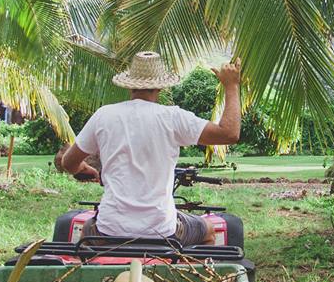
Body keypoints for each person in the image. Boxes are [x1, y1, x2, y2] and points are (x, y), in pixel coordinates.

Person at [56, 52, 241, 243]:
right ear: (160, 85)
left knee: (87, 231)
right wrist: (232, 86)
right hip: (162, 231)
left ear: (130, 85)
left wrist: (85, 168)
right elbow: (229, 133)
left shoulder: (104, 115)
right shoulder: (173, 118)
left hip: (109, 229)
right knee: (208, 230)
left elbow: (68, 162)